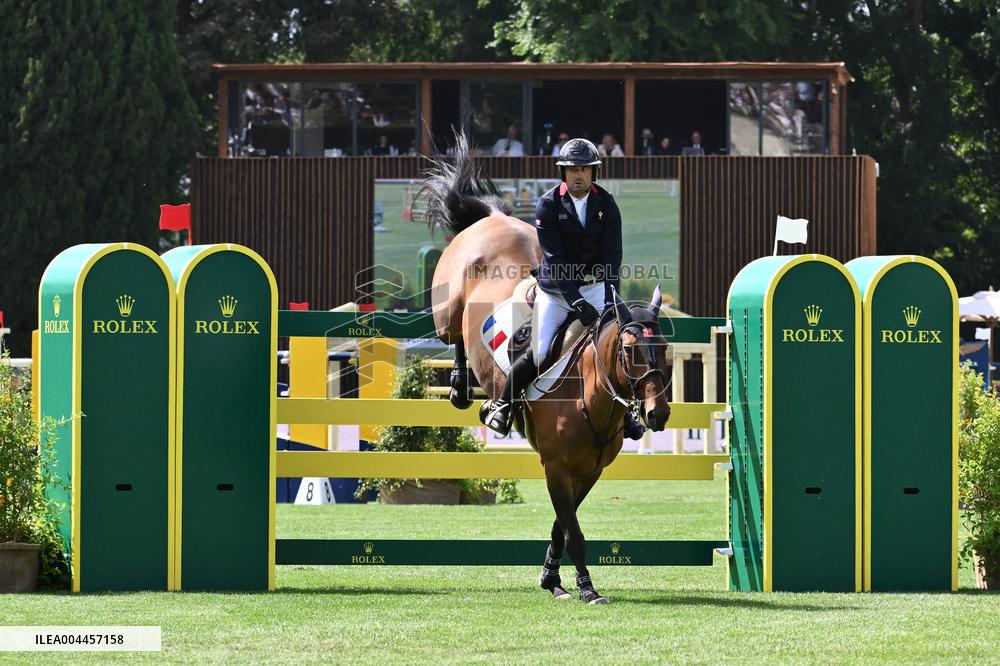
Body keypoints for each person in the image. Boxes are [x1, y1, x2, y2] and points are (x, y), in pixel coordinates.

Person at [480, 138, 645, 440]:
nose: (578, 175)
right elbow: (555, 261)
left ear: (594, 173)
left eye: (584, 169)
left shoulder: (606, 204)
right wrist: (575, 300)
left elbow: (613, 256)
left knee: (612, 347)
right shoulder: (548, 204)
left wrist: (613, 300)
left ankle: (628, 416)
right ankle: (503, 405)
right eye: (572, 170)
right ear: (563, 173)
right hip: (556, 292)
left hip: (596, 290)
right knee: (540, 350)